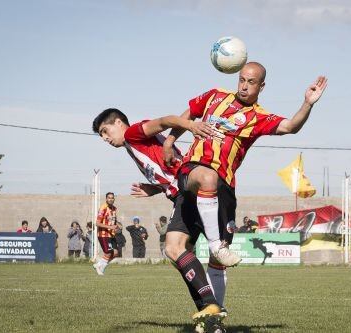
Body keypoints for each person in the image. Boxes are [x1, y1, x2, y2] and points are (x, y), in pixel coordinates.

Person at [163, 62, 327, 319]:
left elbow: (291, 126)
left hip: (224, 189)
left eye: (251, 82)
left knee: (210, 263)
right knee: (204, 182)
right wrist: (171, 141)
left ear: (261, 86)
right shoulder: (215, 95)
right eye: (242, 79)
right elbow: (189, 113)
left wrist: (308, 103)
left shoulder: (259, 117)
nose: (244, 85)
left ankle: (213, 316)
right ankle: (217, 245)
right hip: (193, 172)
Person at [92, 108, 228, 315]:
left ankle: (211, 305)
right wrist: (155, 188)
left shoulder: (132, 133)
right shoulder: (132, 145)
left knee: (174, 250)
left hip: (188, 191)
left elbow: (165, 120)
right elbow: (167, 173)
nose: (104, 138)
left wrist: (191, 126)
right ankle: (209, 313)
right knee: (181, 257)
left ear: (118, 123)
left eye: (105, 131)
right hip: (186, 192)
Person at [93, 192, 119, 275]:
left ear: (114, 199)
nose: (110, 199)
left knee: (115, 253)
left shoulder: (114, 209)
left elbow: (113, 221)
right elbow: (97, 223)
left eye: (112, 198)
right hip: (103, 234)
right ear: (106, 199)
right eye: (109, 198)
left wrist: (117, 226)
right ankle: (98, 265)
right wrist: (110, 227)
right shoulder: (103, 208)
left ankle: (101, 266)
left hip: (111, 234)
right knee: (108, 252)